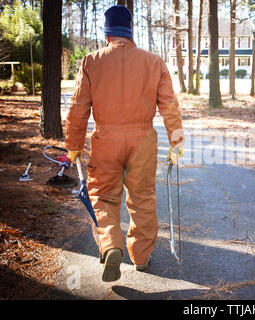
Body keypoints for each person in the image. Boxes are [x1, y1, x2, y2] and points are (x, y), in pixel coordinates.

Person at [65, 5, 184, 282]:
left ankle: (110, 246)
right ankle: (140, 257)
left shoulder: (91, 61)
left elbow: (78, 108)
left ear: (107, 35)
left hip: (106, 140)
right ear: (130, 32)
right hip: (143, 140)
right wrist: (176, 141)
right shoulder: (154, 62)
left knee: (103, 196)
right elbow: (169, 105)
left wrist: (74, 145)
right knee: (142, 198)